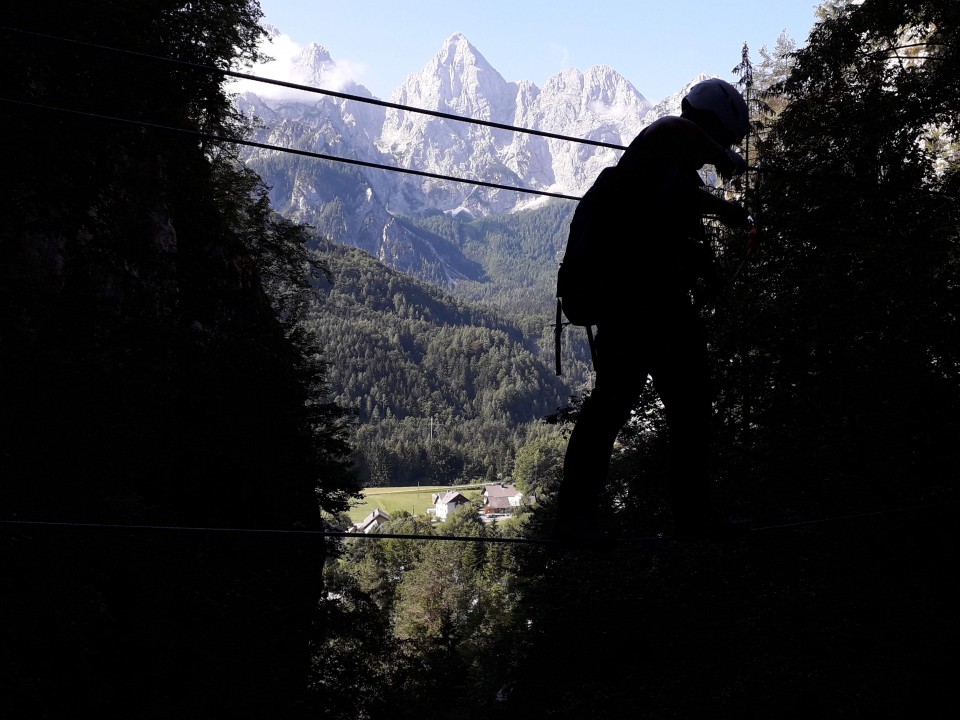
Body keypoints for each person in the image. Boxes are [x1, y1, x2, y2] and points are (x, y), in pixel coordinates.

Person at [555, 78, 755, 543]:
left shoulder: (672, 173)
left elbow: (681, 215)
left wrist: (723, 214)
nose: (720, 148)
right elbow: (669, 129)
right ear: (710, 122)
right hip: (642, 307)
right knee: (664, 411)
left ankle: (579, 518)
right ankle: (684, 519)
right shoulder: (661, 144)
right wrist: (724, 159)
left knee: (631, 410)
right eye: (722, 137)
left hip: (644, 308)